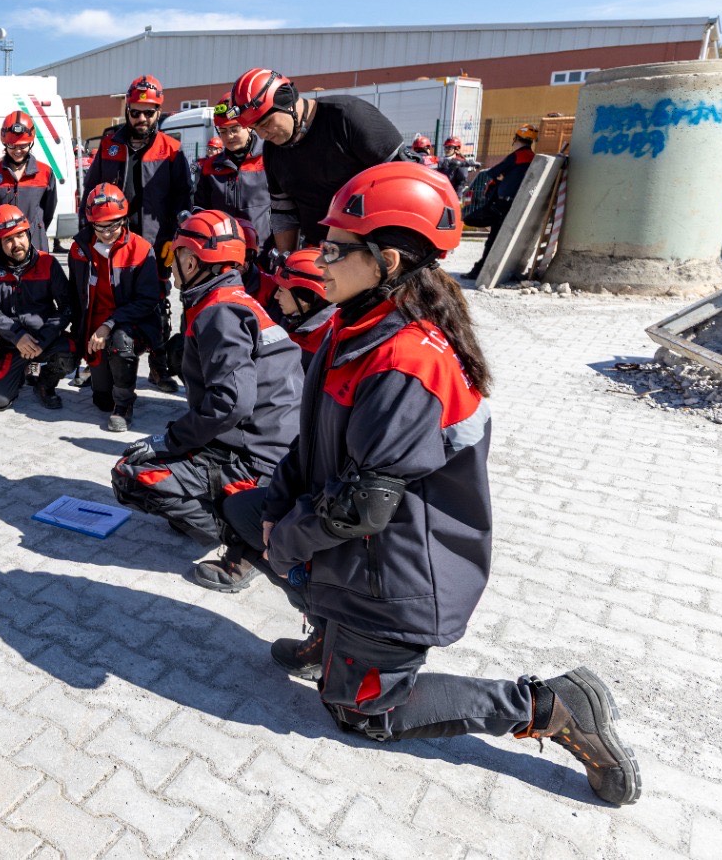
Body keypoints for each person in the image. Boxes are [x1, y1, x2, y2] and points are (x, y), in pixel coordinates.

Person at [218, 161, 640, 806]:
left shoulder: (406, 360)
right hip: (358, 551)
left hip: (400, 574)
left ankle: (551, 707)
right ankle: (333, 637)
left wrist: (287, 541)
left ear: (387, 259)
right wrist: (276, 512)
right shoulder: (351, 325)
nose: (318, 258)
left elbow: (364, 506)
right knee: (246, 514)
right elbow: (310, 441)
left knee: (363, 714)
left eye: (335, 248)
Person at [110, 210, 302, 587]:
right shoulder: (237, 299)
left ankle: (244, 541)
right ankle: (219, 505)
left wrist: (169, 440)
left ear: (192, 260)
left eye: (175, 257)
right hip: (277, 446)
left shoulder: (218, 312)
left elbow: (231, 402)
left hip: (258, 459)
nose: (171, 267)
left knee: (131, 473)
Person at [80, 75, 191, 392]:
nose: (142, 119)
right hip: (112, 241)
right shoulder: (109, 145)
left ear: (159, 112)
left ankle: (158, 367)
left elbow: (184, 199)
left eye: (149, 112)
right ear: (127, 111)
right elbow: (91, 192)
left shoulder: (172, 151)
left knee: (158, 305)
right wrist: (88, 235)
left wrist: (177, 240)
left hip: (158, 245)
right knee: (102, 299)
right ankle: (95, 363)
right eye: (136, 112)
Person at [225, 68, 406, 254]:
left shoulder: (348, 117)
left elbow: (406, 181)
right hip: (323, 255)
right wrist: (287, 259)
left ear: (287, 102)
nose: (263, 134)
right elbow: (284, 211)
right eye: (255, 129)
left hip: (378, 250)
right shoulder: (273, 151)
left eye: (265, 124)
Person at [68, 183, 161, 432]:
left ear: (125, 218)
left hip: (130, 325)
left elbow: (148, 300)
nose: (108, 233)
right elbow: (75, 298)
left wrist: (108, 325)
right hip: (94, 329)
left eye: (114, 225)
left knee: (121, 342)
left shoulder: (141, 249)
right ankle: (103, 378)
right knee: (101, 401)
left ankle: (124, 405)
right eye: (101, 226)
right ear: (90, 222)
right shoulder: (79, 250)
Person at [0, 204, 76, 412]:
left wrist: (45, 338)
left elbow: (67, 306)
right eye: (8, 239)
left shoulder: (48, 262)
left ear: (29, 233)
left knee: (71, 352)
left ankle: (44, 385)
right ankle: (17, 374)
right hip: (10, 343)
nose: (16, 243)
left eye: (20, 235)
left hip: (43, 340)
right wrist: (17, 336)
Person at [463, 124, 538, 280]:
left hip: (502, 204)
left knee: (486, 234)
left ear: (516, 138)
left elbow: (492, 173)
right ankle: (488, 269)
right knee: (497, 237)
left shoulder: (517, 156)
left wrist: (502, 178)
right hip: (517, 204)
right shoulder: (533, 158)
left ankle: (480, 271)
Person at [194, 98, 271, 246]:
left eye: (234, 129)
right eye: (223, 131)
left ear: (248, 125)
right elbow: (200, 208)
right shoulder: (210, 166)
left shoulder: (269, 158)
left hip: (263, 250)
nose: (229, 136)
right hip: (223, 249)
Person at [0, 111, 59, 248]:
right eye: (12, 146)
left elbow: (48, 211)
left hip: (35, 244)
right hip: (1, 246)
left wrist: (35, 229)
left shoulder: (45, 173)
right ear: (4, 143)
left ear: (31, 142)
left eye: (23, 146)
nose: (17, 151)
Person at [270, 249, 337, 370]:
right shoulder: (295, 318)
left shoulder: (331, 337)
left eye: (281, 290)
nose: (276, 296)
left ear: (303, 298)